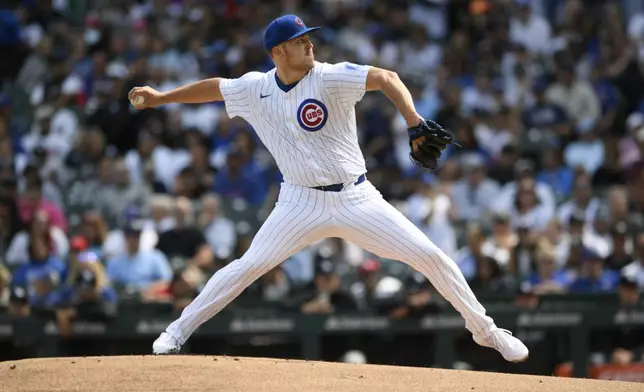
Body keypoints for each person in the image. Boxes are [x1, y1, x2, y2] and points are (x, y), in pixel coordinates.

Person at [129, 14, 528, 362]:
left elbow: (386, 78)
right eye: (299, 41)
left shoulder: (330, 77)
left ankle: (486, 331)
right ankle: (177, 332)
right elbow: (217, 87)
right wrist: (162, 98)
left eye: (308, 37)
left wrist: (412, 120)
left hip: (357, 198)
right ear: (278, 53)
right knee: (247, 266)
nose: (309, 44)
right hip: (299, 202)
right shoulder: (255, 88)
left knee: (430, 256)